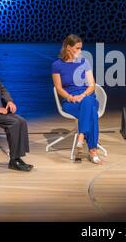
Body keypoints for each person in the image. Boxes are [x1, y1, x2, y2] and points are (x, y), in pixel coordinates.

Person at [52, 34, 102, 164]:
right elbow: (58, 88)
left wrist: (83, 95)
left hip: (86, 95)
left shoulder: (84, 62)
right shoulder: (57, 65)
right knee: (92, 112)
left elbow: (92, 85)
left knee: (89, 101)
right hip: (70, 101)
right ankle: (92, 150)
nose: (80, 51)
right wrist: (70, 97)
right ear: (68, 47)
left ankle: (81, 136)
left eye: (81, 48)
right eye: (77, 48)